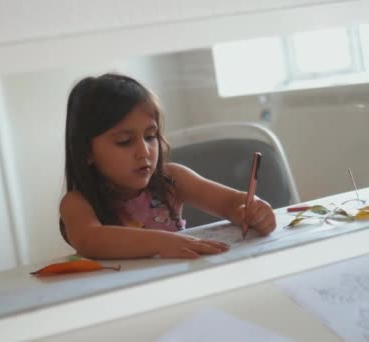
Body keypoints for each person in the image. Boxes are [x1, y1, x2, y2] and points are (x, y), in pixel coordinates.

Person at [59, 73, 276, 259]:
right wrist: (161, 242)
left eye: (150, 136)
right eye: (124, 141)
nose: (144, 151)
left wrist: (252, 210)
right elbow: (90, 239)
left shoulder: (171, 179)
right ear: (86, 152)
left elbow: (230, 202)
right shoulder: (77, 203)